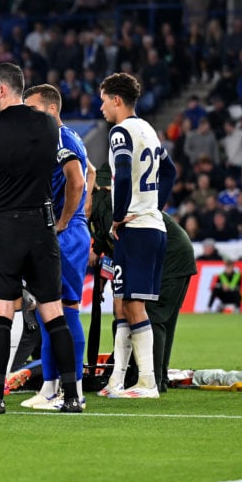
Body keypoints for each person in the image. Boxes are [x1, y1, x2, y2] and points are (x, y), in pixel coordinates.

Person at [0, 62, 83, 414]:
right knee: (53, 311)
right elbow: (64, 169)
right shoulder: (48, 124)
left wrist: (0, 174)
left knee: (1, 312)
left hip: (3, 226)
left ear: (2, 89)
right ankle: (72, 396)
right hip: (42, 225)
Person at [98, 72, 178, 398]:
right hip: (152, 225)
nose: (101, 107)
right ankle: (122, 380)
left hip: (136, 228)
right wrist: (154, 205)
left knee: (132, 306)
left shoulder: (121, 132)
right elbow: (170, 171)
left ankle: (147, 382)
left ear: (117, 100)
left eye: (104, 100)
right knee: (129, 303)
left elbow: (121, 176)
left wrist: (117, 218)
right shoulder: (149, 130)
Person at [89, 162, 196, 394]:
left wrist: (118, 286)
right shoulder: (109, 206)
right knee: (161, 319)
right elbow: (105, 248)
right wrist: (102, 281)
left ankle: (149, 380)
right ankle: (158, 377)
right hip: (176, 252)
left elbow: (118, 247)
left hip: (168, 256)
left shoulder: (106, 204)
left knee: (151, 315)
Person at [20, 83, 90, 410]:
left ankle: (70, 386)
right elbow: (89, 172)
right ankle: (50, 387)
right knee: (51, 310)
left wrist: (67, 220)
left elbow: (77, 179)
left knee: (66, 311)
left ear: (50, 109)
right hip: (61, 230)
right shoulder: (61, 138)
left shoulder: (62, 138)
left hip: (65, 233)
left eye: (32, 110)